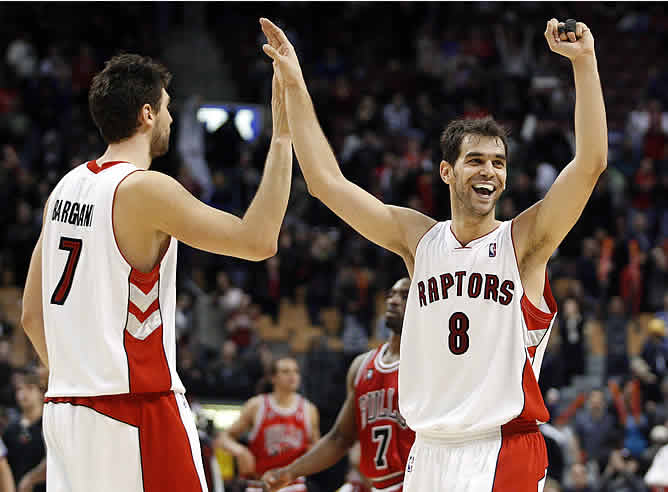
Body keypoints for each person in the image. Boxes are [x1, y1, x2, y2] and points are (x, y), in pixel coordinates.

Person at [260, 15, 607, 491]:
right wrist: (296, 82)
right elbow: (325, 183)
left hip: (500, 446)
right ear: (447, 171)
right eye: (477, 161)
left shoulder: (525, 242)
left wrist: (584, 63)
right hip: (428, 448)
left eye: (499, 163)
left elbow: (589, 165)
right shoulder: (419, 239)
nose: (490, 173)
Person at [21, 53, 293, 492]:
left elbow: (31, 314)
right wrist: (282, 139)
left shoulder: (63, 189)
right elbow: (258, 240)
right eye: (166, 107)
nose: (169, 117)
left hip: (67, 413)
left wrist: (80, 380)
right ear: (147, 114)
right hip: (136, 410)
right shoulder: (144, 188)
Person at [261, 278, 416, 492]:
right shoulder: (361, 366)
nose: (394, 301)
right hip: (376, 486)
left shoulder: (425, 363)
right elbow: (339, 438)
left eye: (405, 296)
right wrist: (290, 471)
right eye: (391, 295)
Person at [217, 355, 319, 492]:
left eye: (296, 371)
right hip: (259, 484)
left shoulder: (309, 409)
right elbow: (223, 437)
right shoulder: (257, 405)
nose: (292, 375)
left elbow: (317, 448)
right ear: (273, 378)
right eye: (286, 371)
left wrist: (312, 454)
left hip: (294, 485)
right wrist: (240, 451)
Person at [2, 372, 45, 492]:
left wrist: (31, 479)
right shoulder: (10, 430)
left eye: (30, 388)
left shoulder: (49, 426)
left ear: (41, 392)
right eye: (19, 389)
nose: (23, 394)